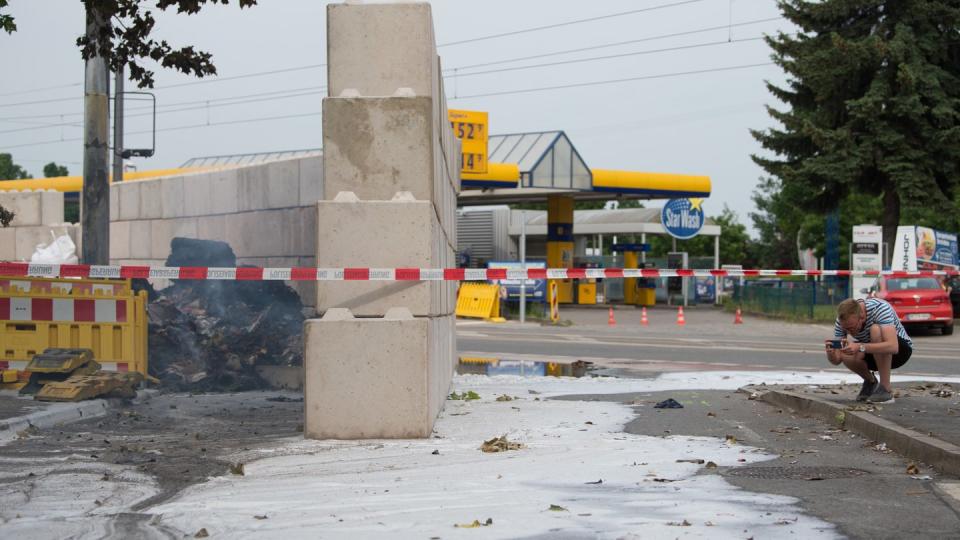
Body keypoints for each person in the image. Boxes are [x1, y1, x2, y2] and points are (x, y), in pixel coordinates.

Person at [824, 297, 913, 403]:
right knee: (846, 351)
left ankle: (885, 389)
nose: (849, 332)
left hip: (900, 351)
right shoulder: (842, 322)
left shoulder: (879, 308)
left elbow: (893, 347)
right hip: (872, 351)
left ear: (862, 317)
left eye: (852, 328)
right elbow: (837, 360)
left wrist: (860, 347)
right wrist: (831, 353)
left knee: (875, 330)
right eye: (846, 329)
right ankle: (870, 382)